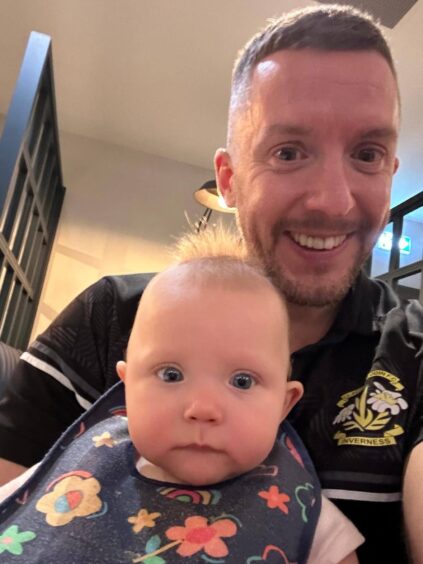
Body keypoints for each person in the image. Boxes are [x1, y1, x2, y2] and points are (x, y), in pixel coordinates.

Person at [0, 3, 421, 562]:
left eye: (367, 154)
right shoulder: (112, 317)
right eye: (288, 152)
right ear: (229, 180)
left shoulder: (414, 348)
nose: (332, 200)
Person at [0, 229, 363, 563]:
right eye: (171, 375)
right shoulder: (72, 470)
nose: (202, 409)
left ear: (284, 405)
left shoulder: (306, 513)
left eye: (242, 381)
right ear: (127, 387)